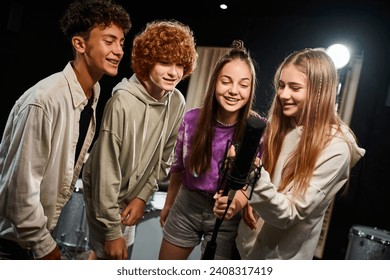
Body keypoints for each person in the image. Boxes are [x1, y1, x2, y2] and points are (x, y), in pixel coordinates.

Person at [0, 0, 131, 260]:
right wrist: (47, 250)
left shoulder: (93, 93)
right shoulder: (44, 100)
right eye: (109, 41)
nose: (119, 51)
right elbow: (19, 194)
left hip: (34, 242)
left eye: (121, 43)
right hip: (13, 248)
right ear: (79, 44)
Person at [213, 48, 366, 260]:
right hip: (243, 249)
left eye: (295, 88)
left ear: (320, 92)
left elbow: (289, 213)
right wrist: (244, 197)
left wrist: (252, 172)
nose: (284, 95)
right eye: (282, 86)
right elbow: (268, 187)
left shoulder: (337, 147)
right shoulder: (281, 126)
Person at [81, 19, 198, 260]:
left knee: (115, 257)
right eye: (165, 63)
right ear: (147, 62)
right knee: (109, 254)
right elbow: (106, 171)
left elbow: (164, 158)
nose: (173, 72)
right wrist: (113, 231)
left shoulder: (177, 101)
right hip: (105, 195)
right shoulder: (122, 102)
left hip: (134, 196)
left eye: (179, 64)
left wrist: (143, 196)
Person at [158, 40, 266, 260]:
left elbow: (253, 181)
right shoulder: (192, 119)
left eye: (243, 85)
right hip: (187, 204)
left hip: (227, 215)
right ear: (215, 82)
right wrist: (169, 204)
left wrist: (237, 204)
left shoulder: (256, 129)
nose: (234, 91)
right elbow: (178, 168)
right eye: (226, 81)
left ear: (251, 88)